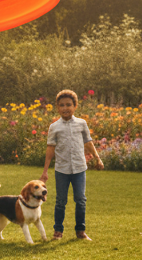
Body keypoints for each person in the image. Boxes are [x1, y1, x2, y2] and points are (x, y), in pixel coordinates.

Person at [41, 89, 104, 240]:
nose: (65, 108)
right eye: (61, 105)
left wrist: (97, 157)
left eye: (68, 104)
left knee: (81, 200)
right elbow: (50, 148)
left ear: (75, 106)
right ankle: (58, 231)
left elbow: (88, 142)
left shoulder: (82, 124)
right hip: (61, 170)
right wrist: (45, 171)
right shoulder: (54, 127)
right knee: (60, 201)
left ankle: (80, 231)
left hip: (79, 169)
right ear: (57, 107)